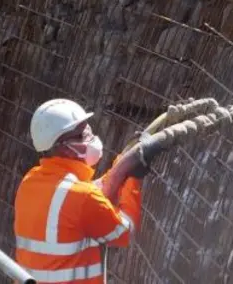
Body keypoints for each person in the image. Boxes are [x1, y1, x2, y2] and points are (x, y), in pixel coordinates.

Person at [14, 98, 150, 283]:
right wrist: (133, 178)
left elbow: (86, 198)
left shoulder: (30, 182)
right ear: (64, 148)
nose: (91, 138)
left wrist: (120, 169)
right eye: (82, 135)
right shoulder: (81, 196)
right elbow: (124, 232)